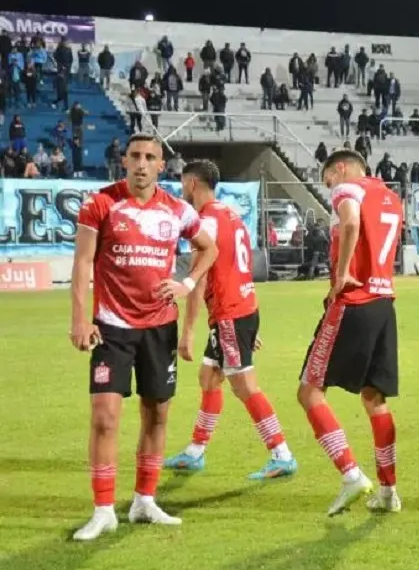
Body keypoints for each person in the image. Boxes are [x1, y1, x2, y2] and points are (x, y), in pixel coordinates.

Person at [69, 134, 218, 542]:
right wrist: (80, 320)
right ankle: (103, 510)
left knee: (157, 414)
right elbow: (83, 263)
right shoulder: (100, 204)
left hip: (159, 327)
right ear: (123, 161)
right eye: (134, 156)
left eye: (150, 157)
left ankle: (144, 501)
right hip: (111, 327)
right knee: (104, 417)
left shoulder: (178, 210)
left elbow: (210, 249)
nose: (141, 163)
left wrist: (187, 283)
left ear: (160, 166)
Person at [164, 159, 298, 479]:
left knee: (244, 386)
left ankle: (281, 454)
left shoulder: (204, 223)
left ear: (192, 184)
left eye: (183, 183)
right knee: (209, 377)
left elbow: (198, 281)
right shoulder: (231, 216)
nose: (182, 189)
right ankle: (195, 452)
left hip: (229, 315)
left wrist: (188, 333)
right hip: (242, 309)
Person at [299, 149, 404, 516]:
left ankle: (350, 474)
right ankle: (389, 491)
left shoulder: (348, 189)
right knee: (374, 396)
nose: (329, 187)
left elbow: (350, 224)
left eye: (328, 179)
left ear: (340, 169)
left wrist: (341, 273)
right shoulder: (391, 197)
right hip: (383, 302)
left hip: (353, 300)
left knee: (310, 391)